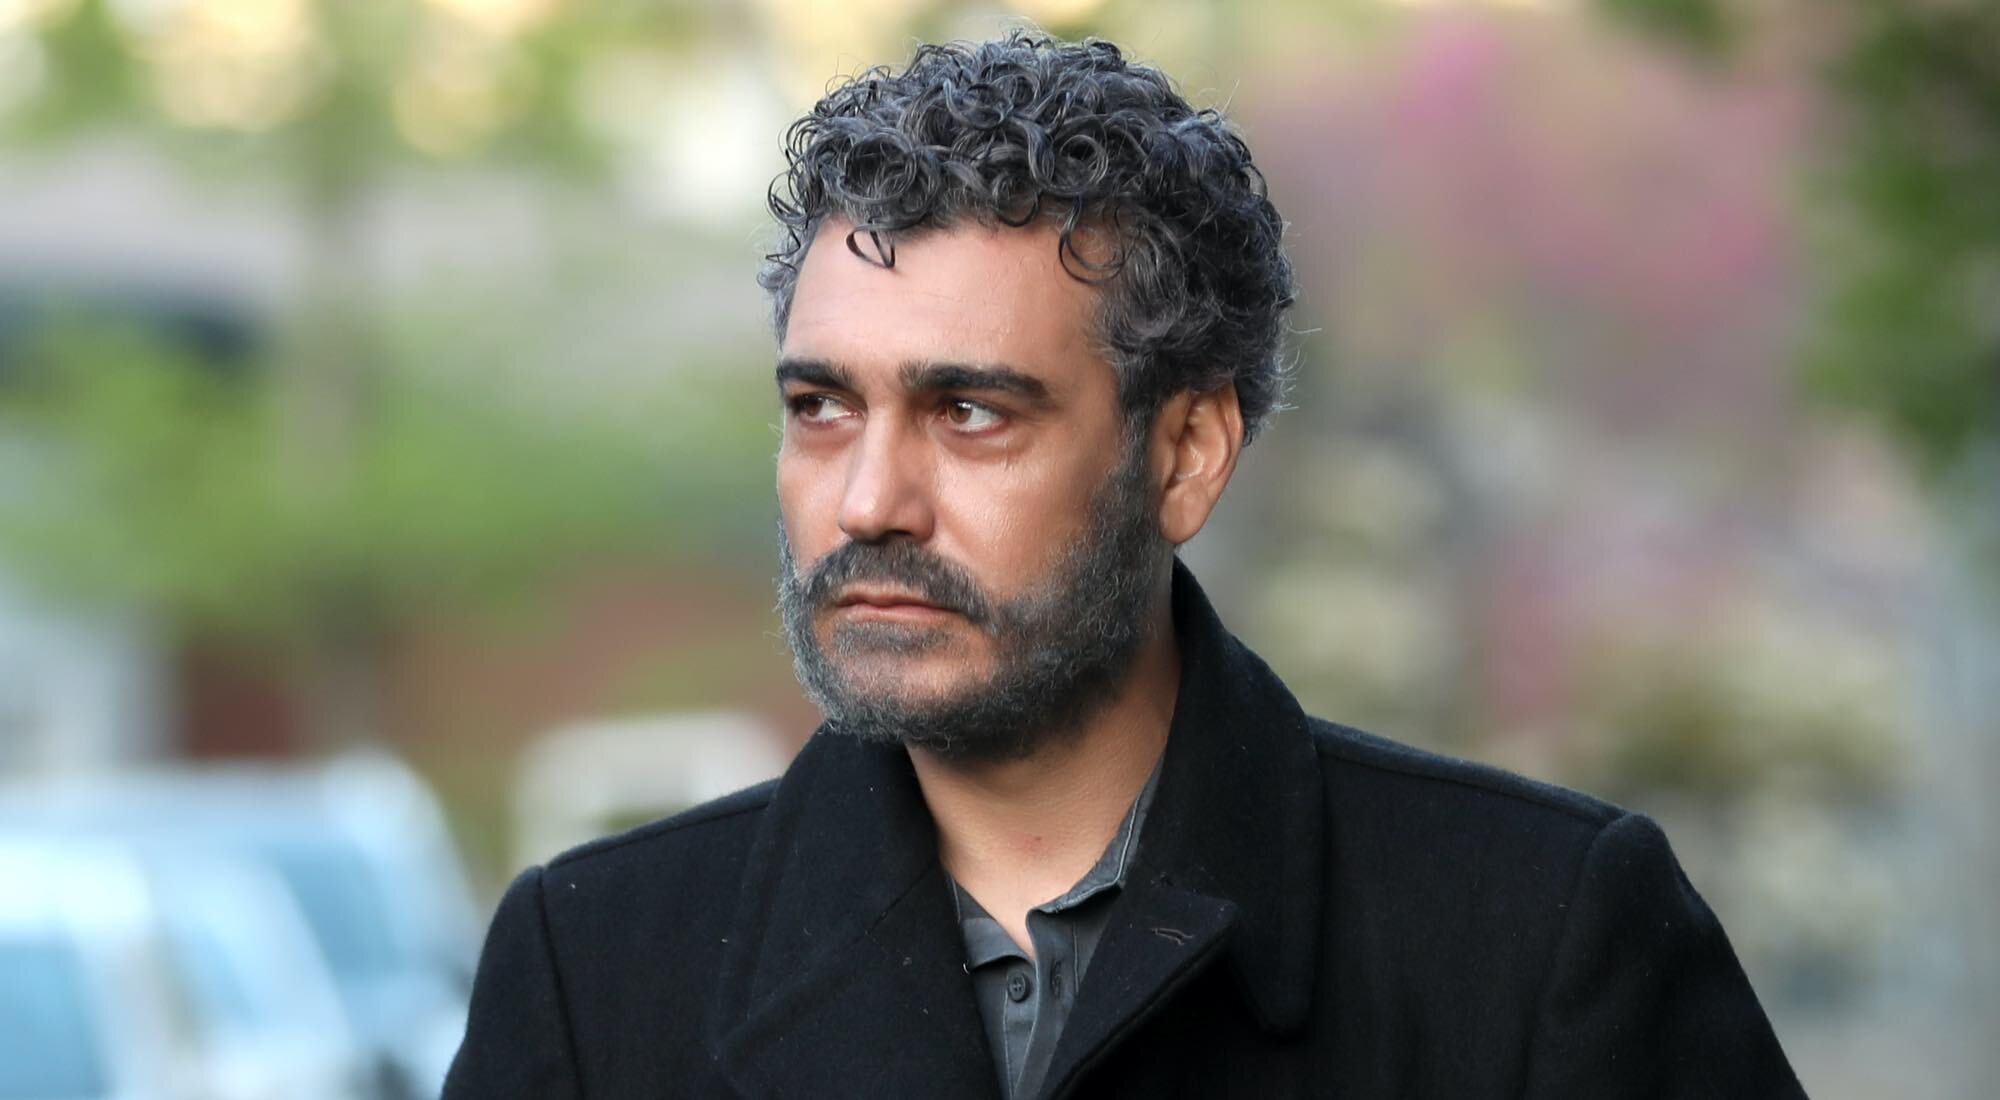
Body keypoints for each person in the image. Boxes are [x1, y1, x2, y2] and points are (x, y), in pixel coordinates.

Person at [445, 31, 1805, 1099]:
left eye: (970, 412)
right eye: (822, 407)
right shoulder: (595, 972)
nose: (868, 501)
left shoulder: (1538, 937)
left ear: (1187, 453)